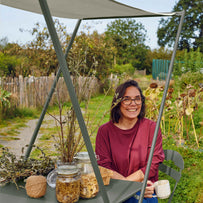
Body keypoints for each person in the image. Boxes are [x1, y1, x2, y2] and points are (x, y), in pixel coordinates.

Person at [95, 80, 165, 203]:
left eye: (137, 99)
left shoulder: (151, 128)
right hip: (114, 189)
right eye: (126, 99)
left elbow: (153, 164)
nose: (133, 104)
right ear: (117, 103)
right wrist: (129, 187)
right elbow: (104, 166)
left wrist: (131, 188)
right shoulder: (104, 131)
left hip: (144, 190)